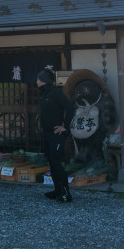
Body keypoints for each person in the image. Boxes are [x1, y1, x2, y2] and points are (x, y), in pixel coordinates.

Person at [36, 67, 75, 203]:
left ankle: (65, 192)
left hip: (56, 135)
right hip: (47, 134)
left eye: (38, 79)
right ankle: (57, 190)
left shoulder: (55, 93)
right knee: (52, 163)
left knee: (56, 163)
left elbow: (70, 108)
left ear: (43, 81)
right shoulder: (45, 94)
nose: (37, 81)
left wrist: (65, 127)